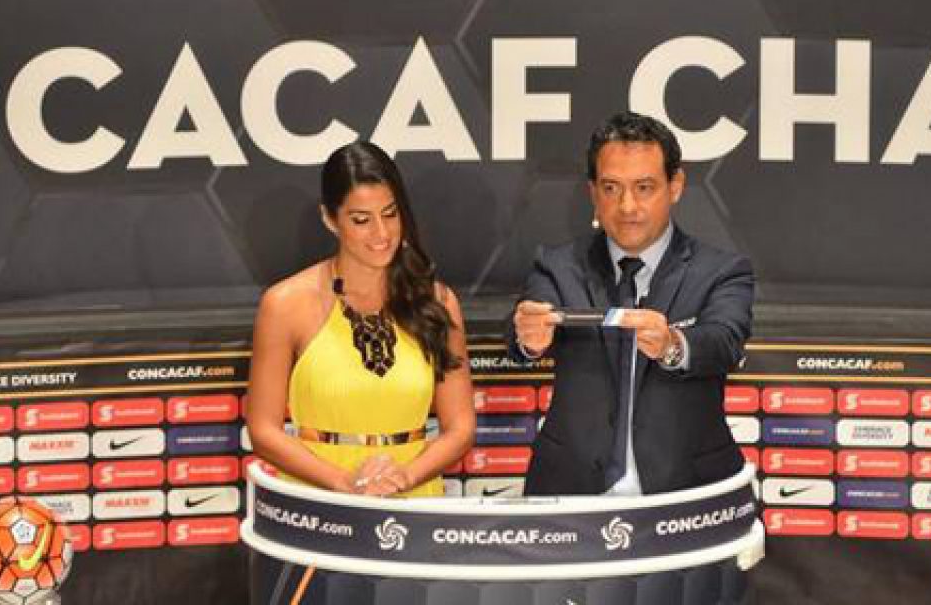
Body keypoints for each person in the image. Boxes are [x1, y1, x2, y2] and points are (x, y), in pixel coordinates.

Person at [509, 111, 755, 497]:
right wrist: (528, 338)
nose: (627, 206)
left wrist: (673, 345)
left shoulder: (721, 270)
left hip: (687, 491)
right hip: (572, 489)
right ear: (593, 192)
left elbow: (724, 342)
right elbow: (522, 329)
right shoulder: (557, 265)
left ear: (675, 186)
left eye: (644, 187)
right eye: (611, 188)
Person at [246, 141, 474, 499]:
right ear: (330, 219)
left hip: (413, 503)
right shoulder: (286, 304)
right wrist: (344, 483)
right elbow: (263, 430)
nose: (381, 233)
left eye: (390, 214)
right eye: (361, 220)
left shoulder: (438, 302)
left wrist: (403, 478)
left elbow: (460, 428)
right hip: (321, 502)